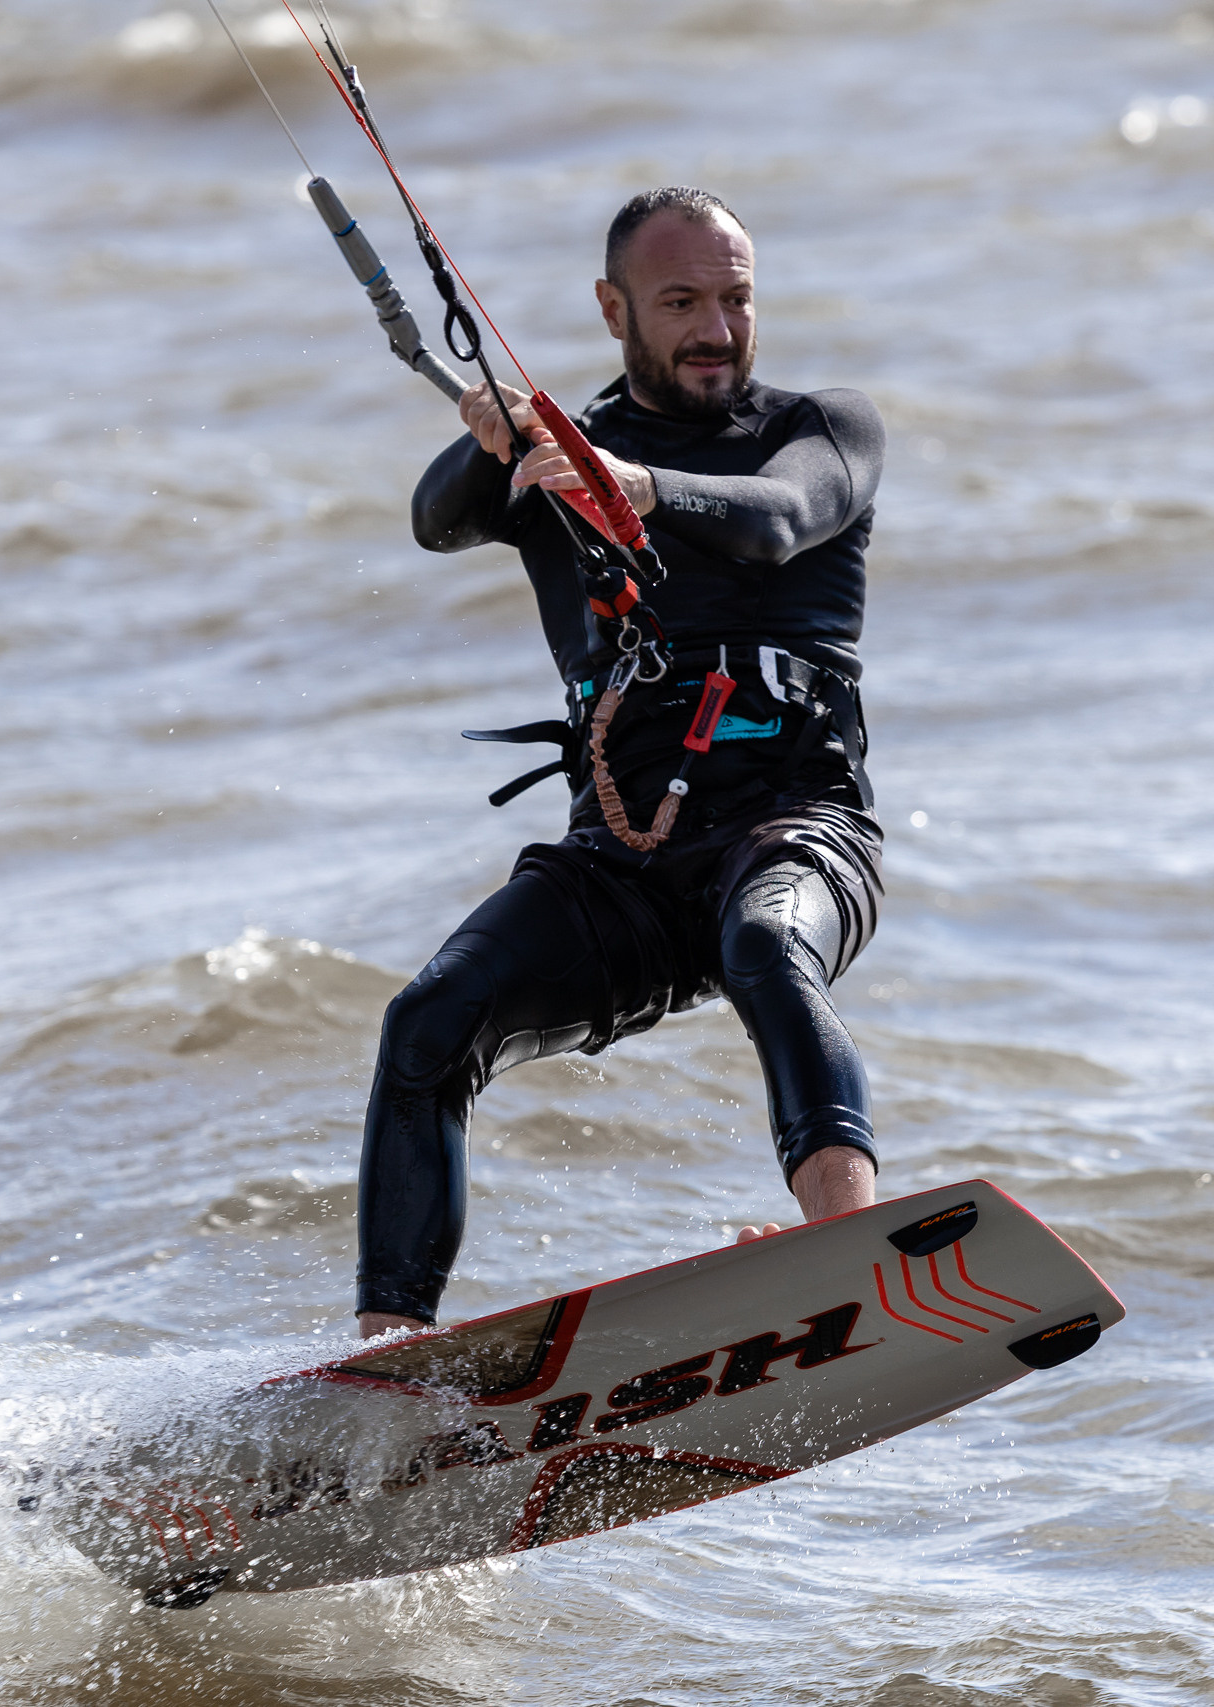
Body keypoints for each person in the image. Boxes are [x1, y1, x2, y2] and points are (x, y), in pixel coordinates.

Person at [353, 186, 889, 1338]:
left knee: (764, 945)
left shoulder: (823, 429)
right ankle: (386, 1358)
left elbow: (781, 521)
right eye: (682, 301)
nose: (716, 329)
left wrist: (632, 486)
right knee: (430, 1019)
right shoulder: (557, 456)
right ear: (614, 310)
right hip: (624, 866)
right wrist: (489, 432)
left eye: (736, 299)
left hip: (796, 827)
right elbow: (433, 520)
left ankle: (842, 1245)